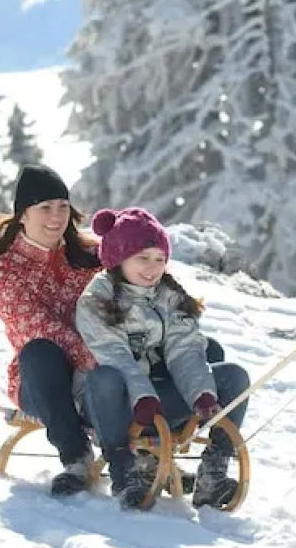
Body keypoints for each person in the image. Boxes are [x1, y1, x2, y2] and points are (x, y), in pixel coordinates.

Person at [76, 206, 251, 510]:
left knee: (233, 376)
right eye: (142, 258)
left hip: (155, 402)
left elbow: (185, 349)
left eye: (160, 259)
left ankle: (212, 475)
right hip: (111, 406)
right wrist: (141, 397)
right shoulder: (97, 298)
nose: (152, 267)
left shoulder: (168, 294)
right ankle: (124, 469)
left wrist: (203, 395)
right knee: (105, 377)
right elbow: (115, 356)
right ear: (118, 258)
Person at [0, 164, 104, 497]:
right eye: (45, 208)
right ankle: (76, 457)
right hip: (42, 380)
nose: (56, 216)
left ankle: (153, 448)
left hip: (100, 365)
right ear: (23, 214)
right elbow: (37, 326)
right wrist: (91, 356)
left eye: (63, 207)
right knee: (39, 351)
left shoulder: (90, 254)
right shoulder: (5, 268)